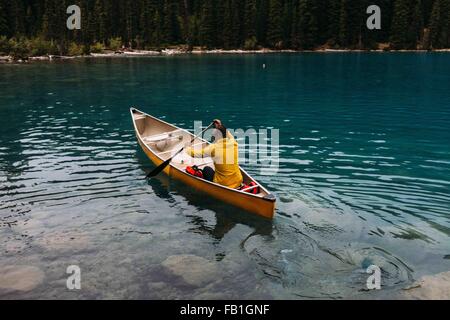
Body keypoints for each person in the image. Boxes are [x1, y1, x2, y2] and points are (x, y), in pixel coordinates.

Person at [186, 120, 243, 189]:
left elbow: (194, 154)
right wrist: (220, 125)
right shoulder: (233, 143)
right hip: (238, 180)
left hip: (223, 183)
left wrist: (187, 148)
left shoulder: (213, 148)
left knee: (207, 169)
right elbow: (227, 133)